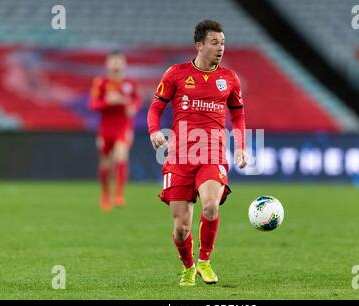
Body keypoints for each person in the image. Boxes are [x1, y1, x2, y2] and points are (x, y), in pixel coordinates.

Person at [147, 20, 247, 286]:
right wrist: (154, 130)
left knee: (211, 205)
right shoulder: (176, 74)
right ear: (199, 45)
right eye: (215, 43)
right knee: (181, 229)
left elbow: (238, 116)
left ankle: (204, 260)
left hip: (212, 153)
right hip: (179, 157)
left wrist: (241, 148)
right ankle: (188, 266)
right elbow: (155, 107)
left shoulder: (229, 79)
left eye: (223, 43)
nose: (220, 48)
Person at [89, 51, 142, 212]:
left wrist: (133, 107)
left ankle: (118, 194)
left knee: (121, 154)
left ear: (124, 64)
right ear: (107, 64)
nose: (116, 65)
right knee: (105, 163)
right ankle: (105, 194)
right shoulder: (101, 83)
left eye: (119, 61)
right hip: (106, 128)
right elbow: (93, 105)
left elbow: (137, 100)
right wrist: (107, 102)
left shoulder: (131, 83)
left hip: (123, 127)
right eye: (113, 62)